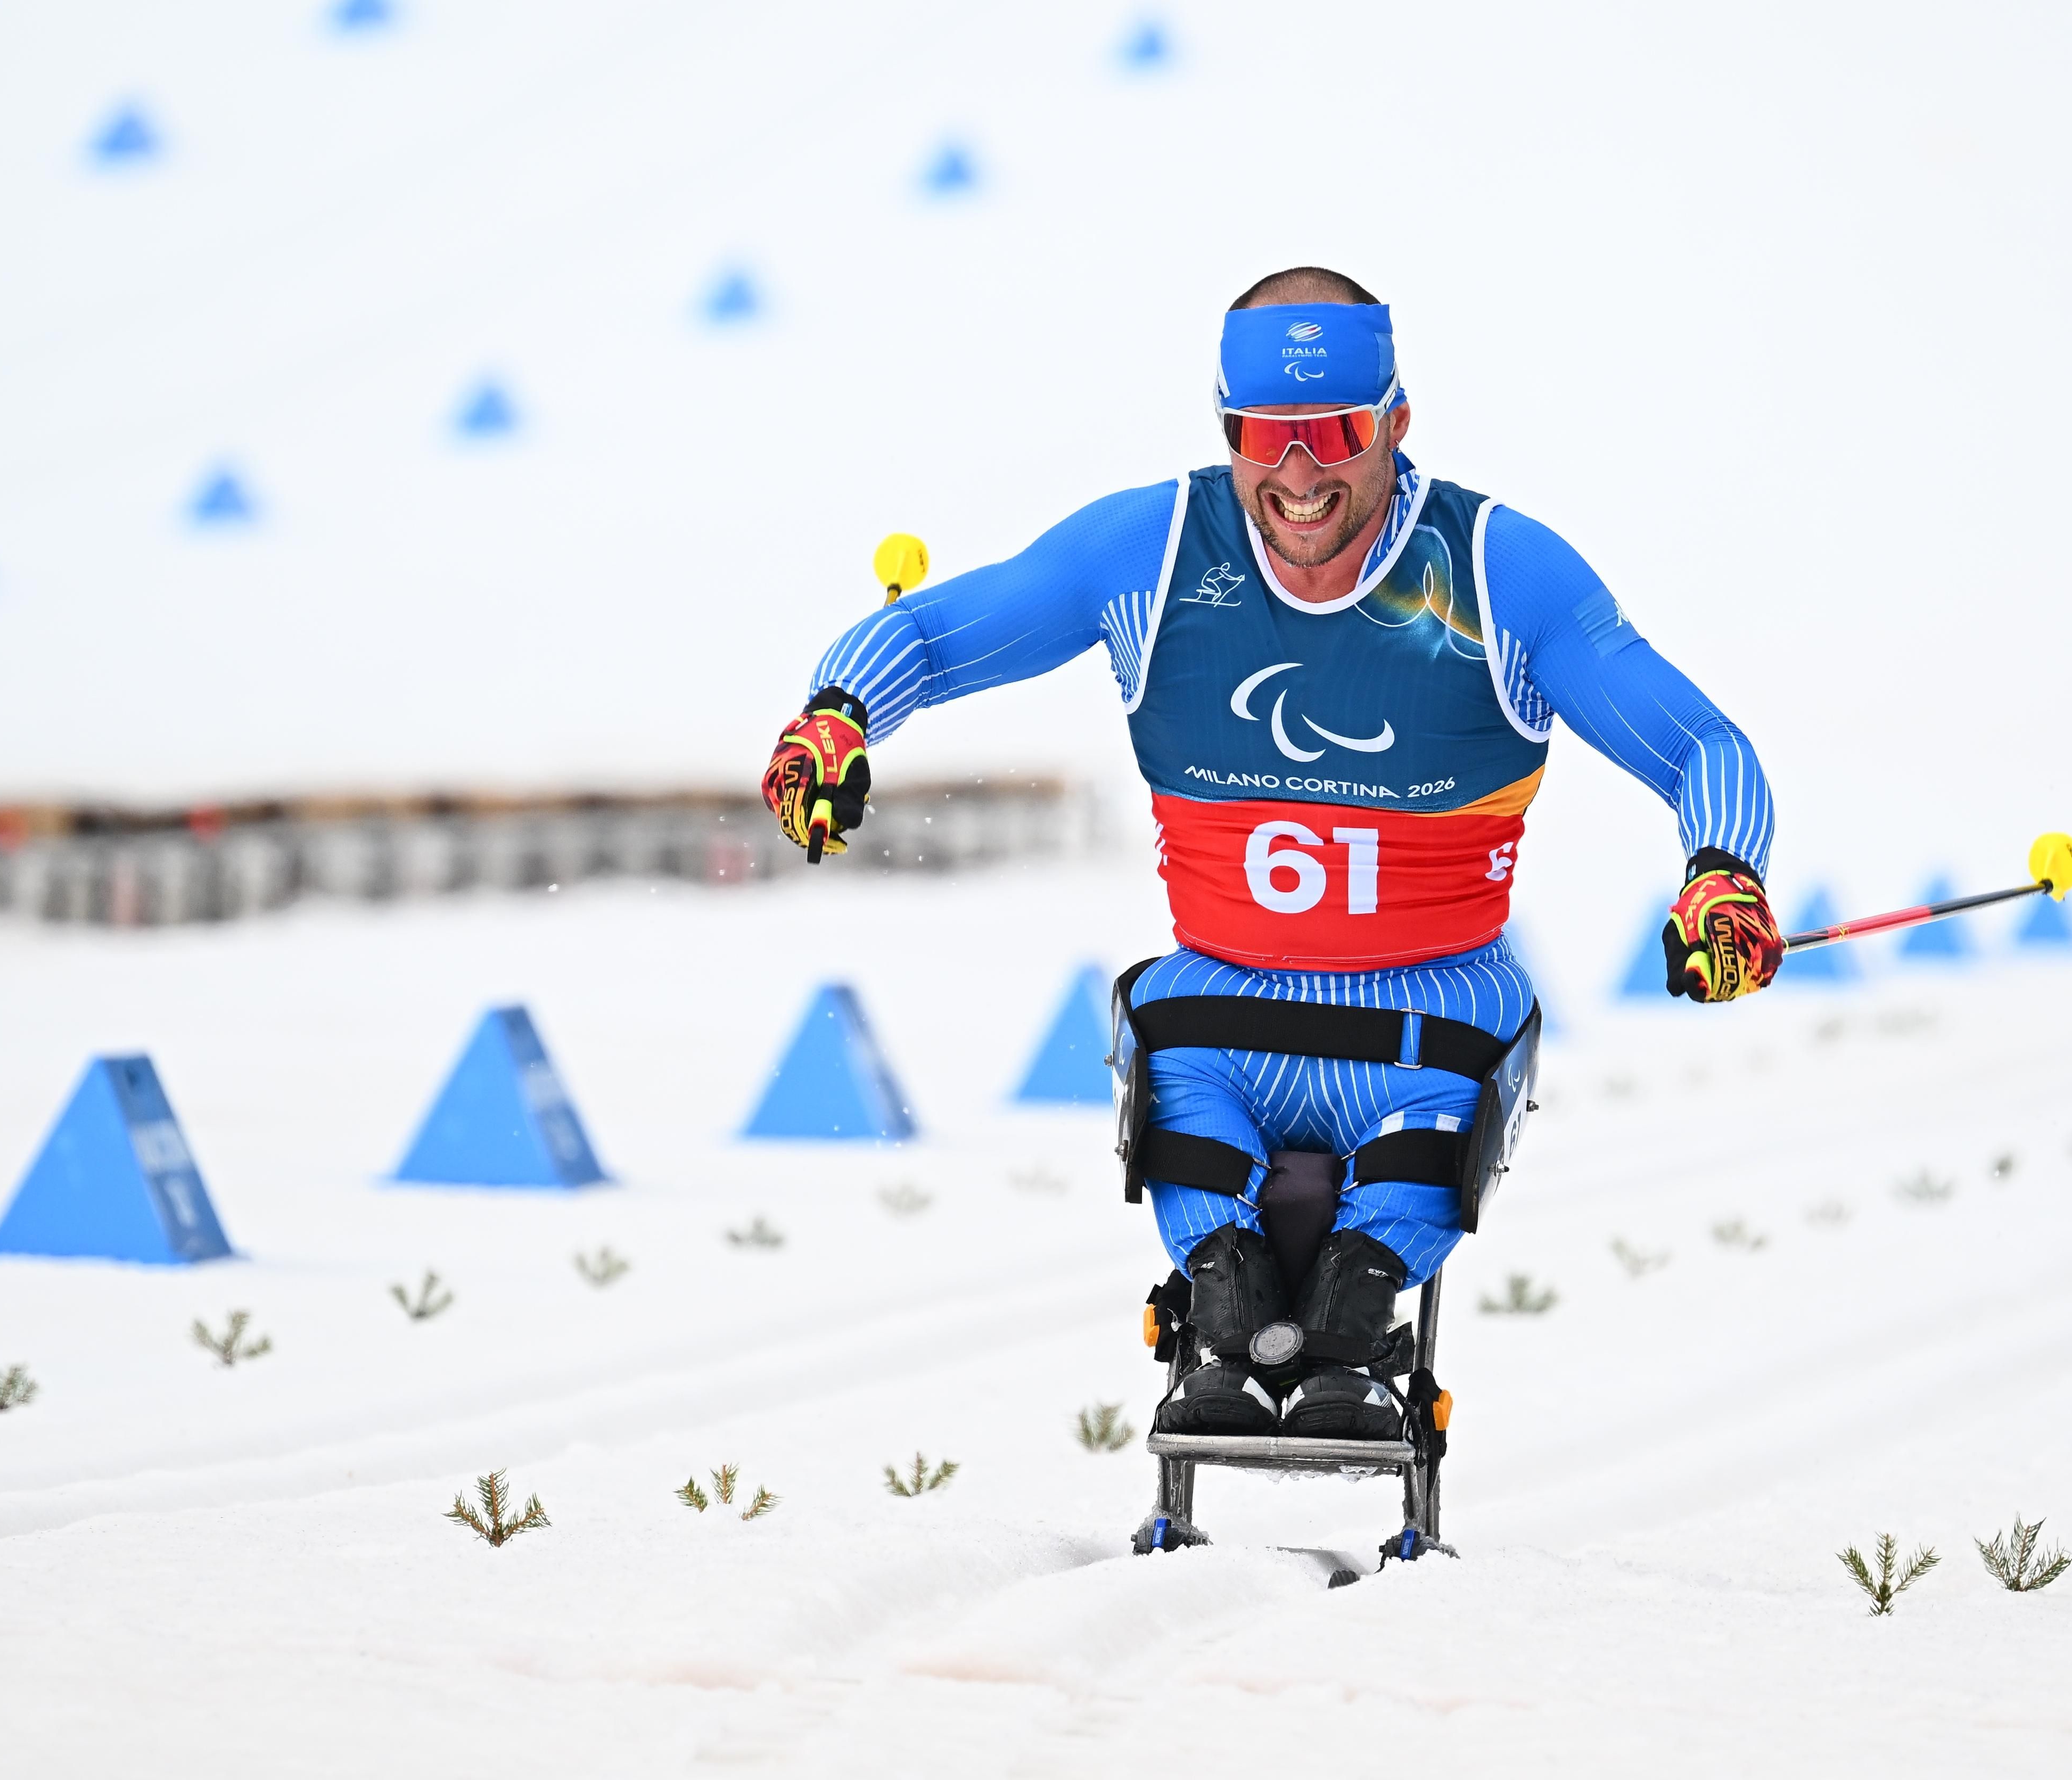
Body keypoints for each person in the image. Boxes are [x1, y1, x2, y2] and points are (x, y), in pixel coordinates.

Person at [761, 268, 1781, 1444]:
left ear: (1397, 422)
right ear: (1226, 429)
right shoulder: (1151, 546)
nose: (1298, 476)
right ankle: (1227, 1304)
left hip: (1425, 1022)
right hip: (1224, 1013)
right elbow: (936, 629)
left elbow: (1698, 741)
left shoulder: (1500, 572)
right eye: (1262, 437)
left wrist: (1723, 868)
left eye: (1337, 434)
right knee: (1220, 1244)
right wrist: (839, 711)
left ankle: (1354, 1321)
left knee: (1363, 1263)